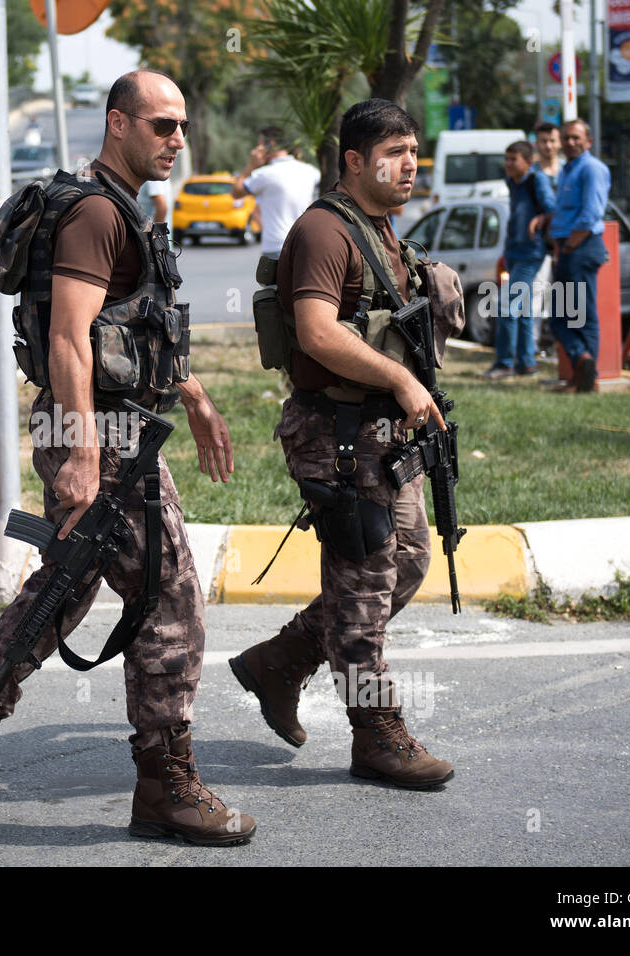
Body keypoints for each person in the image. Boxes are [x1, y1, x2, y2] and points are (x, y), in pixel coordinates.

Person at [0, 70, 256, 846]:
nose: (176, 140)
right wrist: (84, 452)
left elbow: (136, 329)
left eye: (181, 126)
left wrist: (195, 397)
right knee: (169, 601)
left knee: (64, 587)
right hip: (105, 433)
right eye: (160, 125)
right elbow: (70, 337)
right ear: (117, 124)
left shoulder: (121, 208)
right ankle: (165, 786)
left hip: (107, 425)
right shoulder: (98, 213)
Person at [228, 98, 455, 789]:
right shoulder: (327, 232)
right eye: (393, 152)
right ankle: (376, 734)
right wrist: (402, 381)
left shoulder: (384, 230)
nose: (410, 164)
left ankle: (281, 660)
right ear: (353, 161)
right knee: (362, 588)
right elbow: (318, 332)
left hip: (386, 435)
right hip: (340, 436)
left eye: (414, 150)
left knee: (408, 562)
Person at [548, 118, 611, 393]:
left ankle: (589, 377)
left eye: (576, 138)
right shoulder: (567, 170)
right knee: (560, 315)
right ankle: (582, 362)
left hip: (582, 248)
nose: (570, 142)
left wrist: (570, 246)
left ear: (589, 141)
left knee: (582, 315)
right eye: (567, 138)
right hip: (569, 249)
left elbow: (590, 214)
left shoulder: (593, 169)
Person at [485, 140, 556, 379]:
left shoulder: (537, 180)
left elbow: (553, 209)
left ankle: (504, 364)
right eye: (506, 158)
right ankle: (526, 363)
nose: (507, 164)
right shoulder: (512, 182)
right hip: (514, 252)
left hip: (530, 253)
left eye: (513, 159)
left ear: (529, 162)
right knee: (523, 310)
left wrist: (540, 220)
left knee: (506, 306)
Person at [233, 126, 320, 256]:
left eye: (259, 145)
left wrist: (251, 165)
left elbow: (236, 192)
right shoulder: (311, 171)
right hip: (304, 246)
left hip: (276, 247)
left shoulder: (263, 174)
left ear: (270, 145)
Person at [533, 121, 564, 189]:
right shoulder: (530, 173)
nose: (548, 146)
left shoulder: (568, 168)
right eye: (544, 141)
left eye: (552, 141)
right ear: (536, 143)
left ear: (560, 143)